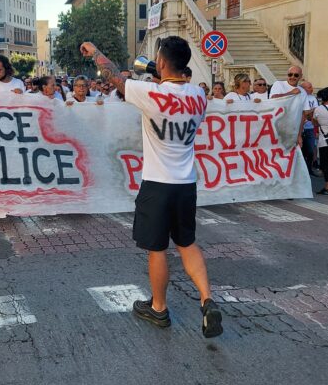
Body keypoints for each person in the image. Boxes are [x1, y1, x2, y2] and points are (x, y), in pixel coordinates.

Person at [80, 36, 223, 339]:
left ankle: (159, 308)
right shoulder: (199, 95)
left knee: (157, 249)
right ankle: (206, 299)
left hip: (158, 184)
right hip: (186, 184)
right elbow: (174, 87)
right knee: (187, 243)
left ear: (160, 62)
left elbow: (113, 75)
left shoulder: (151, 94)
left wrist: (95, 52)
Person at [300, 80, 319, 175]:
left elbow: (316, 111)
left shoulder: (313, 98)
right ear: (303, 89)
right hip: (300, 128)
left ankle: (309, 169)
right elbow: (303, 112)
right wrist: (310, 111)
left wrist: (309, 112)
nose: (312, 89)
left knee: (311, 150)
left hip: (310, 127)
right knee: (302, 151)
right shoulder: (299, 98)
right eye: (309, 87)